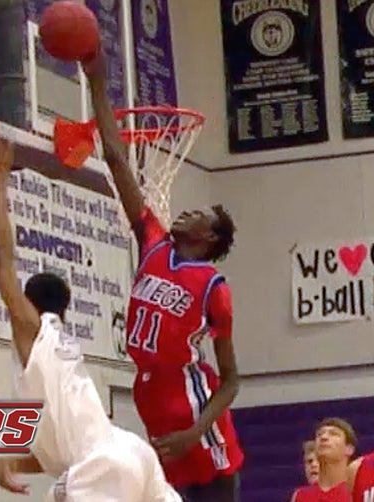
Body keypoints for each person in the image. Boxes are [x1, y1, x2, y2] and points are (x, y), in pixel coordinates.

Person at [0, 126, 181, 502]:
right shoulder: (62, 351)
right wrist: (15, 461)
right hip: (131, 452)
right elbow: (60, 455)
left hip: (99, 464)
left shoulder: (35, 332)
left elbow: (1, 261)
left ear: (30, 304)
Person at [82, 49, 244, 502]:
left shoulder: (213, 287)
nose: (185, 210)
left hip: (198, 421)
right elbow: (116, 157)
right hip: (151, 399)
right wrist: (97, 80)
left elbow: (230, 379)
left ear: (209, 237)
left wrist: (196, 432)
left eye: (198, 213)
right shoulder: (152, 242)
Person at [291, 418, 355, 502]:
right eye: (319, 434)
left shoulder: (356, 491)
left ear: (349, 449)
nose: (323, 437)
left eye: (333, 434)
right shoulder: (300, 495)